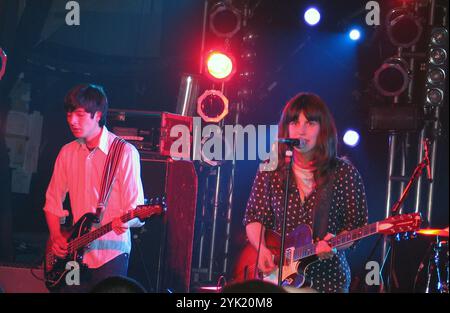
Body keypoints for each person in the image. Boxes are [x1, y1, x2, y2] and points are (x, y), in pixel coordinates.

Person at [243, 92, 368, 293]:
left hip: (326, 279)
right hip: (277, 278)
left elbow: (355, 226)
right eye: (294, 123)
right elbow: (254, 217)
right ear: (286, 129)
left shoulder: (344, 173)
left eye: (310, 123)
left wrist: (335, 244)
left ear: (322, 129)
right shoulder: (271, 169)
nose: (301, 130)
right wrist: (262, 249)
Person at [43, 84, 145, 292]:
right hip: (73, 255)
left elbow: (138, 209)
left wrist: (126, 221)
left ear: (97, 115)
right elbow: (53, 201)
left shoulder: (124, 153)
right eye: (69, 114)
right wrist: (56, 236)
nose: (72, 120)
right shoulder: (67, 152)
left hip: (111, 254)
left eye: (79, 114)